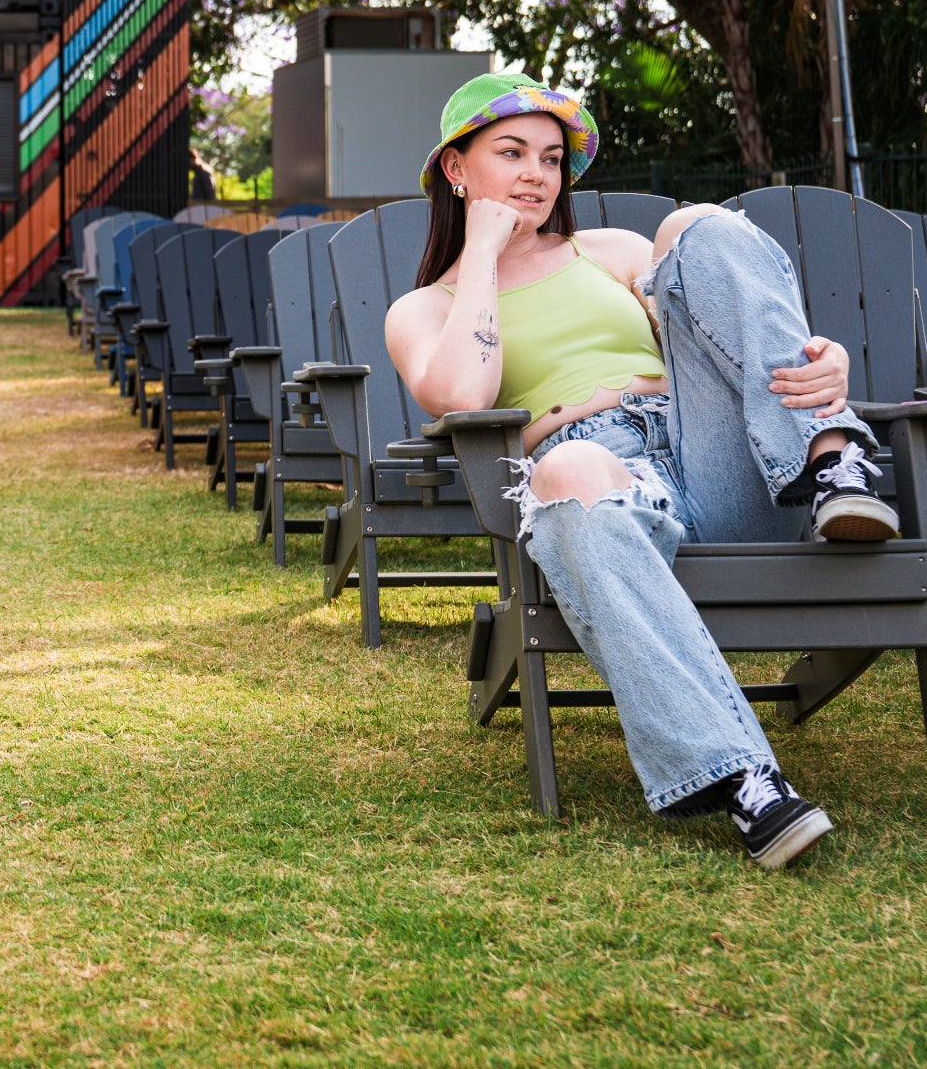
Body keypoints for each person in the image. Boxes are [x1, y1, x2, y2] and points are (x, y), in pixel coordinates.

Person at [383, 72, 899, 870]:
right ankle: (746, 780)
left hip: (723, 462)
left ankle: (834, 457)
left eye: (551, 159)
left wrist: (818, 359)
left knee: (700, 224)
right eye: (511, 152)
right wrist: (482, 249)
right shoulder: (423, 309)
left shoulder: (611, 252)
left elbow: (726, 316)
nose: (536, 174)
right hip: (611, 487)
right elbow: (462, 393)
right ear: (457, 169)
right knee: (566, 471)